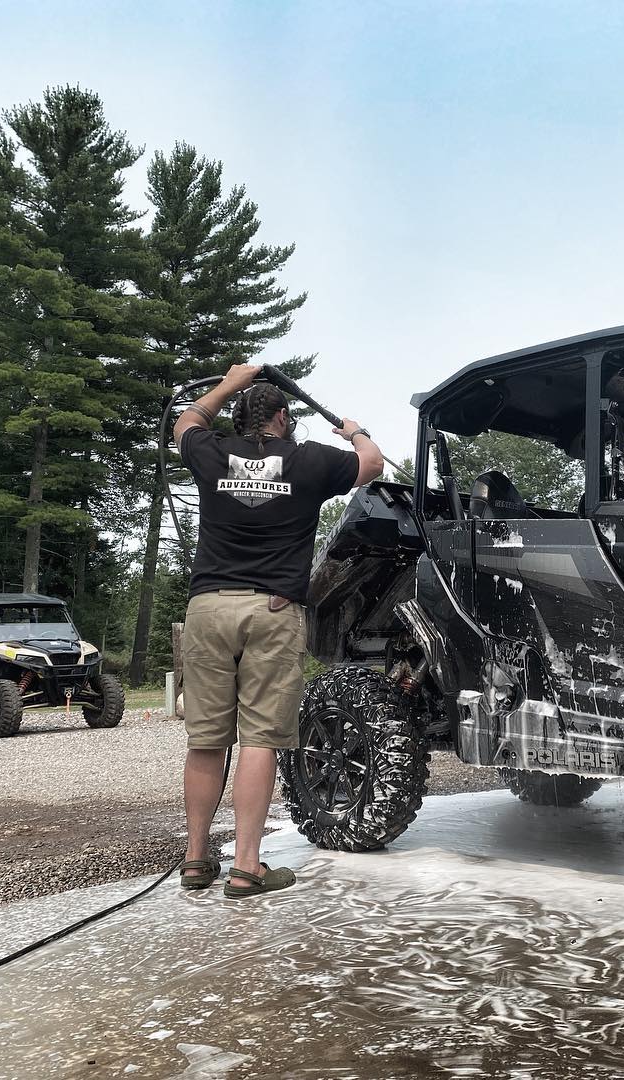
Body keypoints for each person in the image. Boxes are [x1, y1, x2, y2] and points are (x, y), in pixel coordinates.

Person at [173, 362, 384, 897]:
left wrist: (228, 382)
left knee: (205, 740)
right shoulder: (309, 460)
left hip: (209, 607)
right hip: (271, 611)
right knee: (260, 739)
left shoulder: (212, 451)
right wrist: (353, 430)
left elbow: (186, 423)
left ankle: (197, 860)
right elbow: (372, 465)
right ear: (285, 417)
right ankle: (246, 867)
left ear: (242, 414)